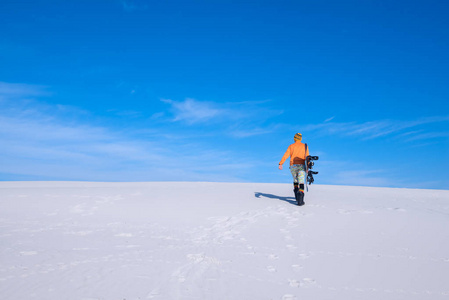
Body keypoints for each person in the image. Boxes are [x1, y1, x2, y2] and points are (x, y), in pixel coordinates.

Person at [278, 133, 309, 206]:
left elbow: (286, 155)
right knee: (301, 181)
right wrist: (307, 167)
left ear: (294, 138)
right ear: (300, 138)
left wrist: (280, 163)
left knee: (295, 180)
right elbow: (307, 157)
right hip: (301, 165)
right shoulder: (305, 146)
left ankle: (296, 196)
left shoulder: (291, 146)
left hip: (293, 166)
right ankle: (300, 200)